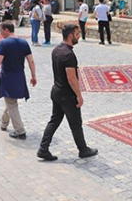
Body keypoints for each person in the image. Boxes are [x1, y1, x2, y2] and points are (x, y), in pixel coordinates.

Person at [37, 24, 98, 161]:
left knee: (54, 121)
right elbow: (71, 77)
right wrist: (79, 95)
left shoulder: (56, 50)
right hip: (66, 95)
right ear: (70, 36)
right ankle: (83, 150)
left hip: (56, 91)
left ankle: (43, 148)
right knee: (76, 123)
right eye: (77, 34)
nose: (79, 36)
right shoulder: (68, 54)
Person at [0, 21, 37, 139]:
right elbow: (31, 61)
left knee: (11, 103)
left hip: (8, 77)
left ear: (6, 30)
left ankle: (20, 131)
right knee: (11, 101)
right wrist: (33, 76)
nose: (0, 33)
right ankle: (3, 123)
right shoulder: (24, 42)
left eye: (1, 31)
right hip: (19, 76)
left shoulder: (4, 43)